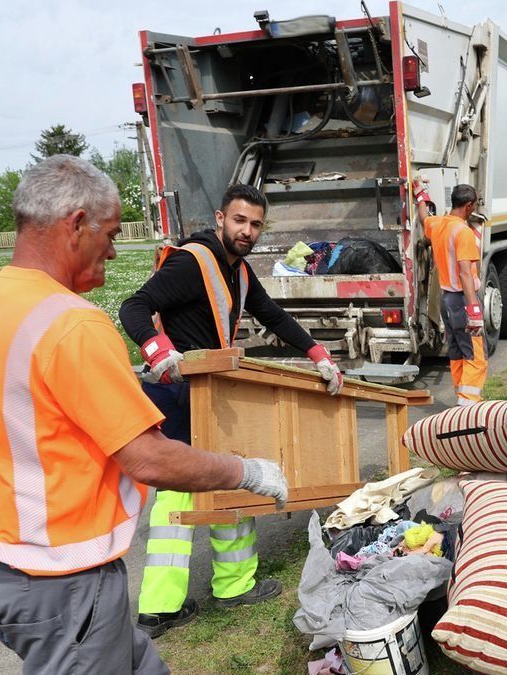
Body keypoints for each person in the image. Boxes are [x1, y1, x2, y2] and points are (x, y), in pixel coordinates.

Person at [0, 155, 289, 674]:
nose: (116, 251)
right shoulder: (71, 325)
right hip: (61, 578)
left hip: (2, 567)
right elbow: (148, 460)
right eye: (112, 233)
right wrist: (247, 470)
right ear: (76, 225)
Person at [118, 183, 344, 637]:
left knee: (215, 483)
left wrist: (318, 353)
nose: (247, 230)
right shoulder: (191, 260)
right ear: (220, 218)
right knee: (195, 490)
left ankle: (204, 593)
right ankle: (184, 600)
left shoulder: (238, 270)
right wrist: (159, 351)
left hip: (208, 392)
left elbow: (272, 314)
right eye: (239, 220)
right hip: (180, 392)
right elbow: (134, 306)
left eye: (256, 224)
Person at [414, 181, 487, 406]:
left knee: (456, 350)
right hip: (463, 298)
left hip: (447, 300)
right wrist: (474, 309)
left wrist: (420, 196)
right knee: (475, 354)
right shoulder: (463, 232)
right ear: (468, 206)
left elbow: (423, 217)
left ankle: (461, 397)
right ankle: (468, 404)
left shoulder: (438, 225)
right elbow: (465, 274)